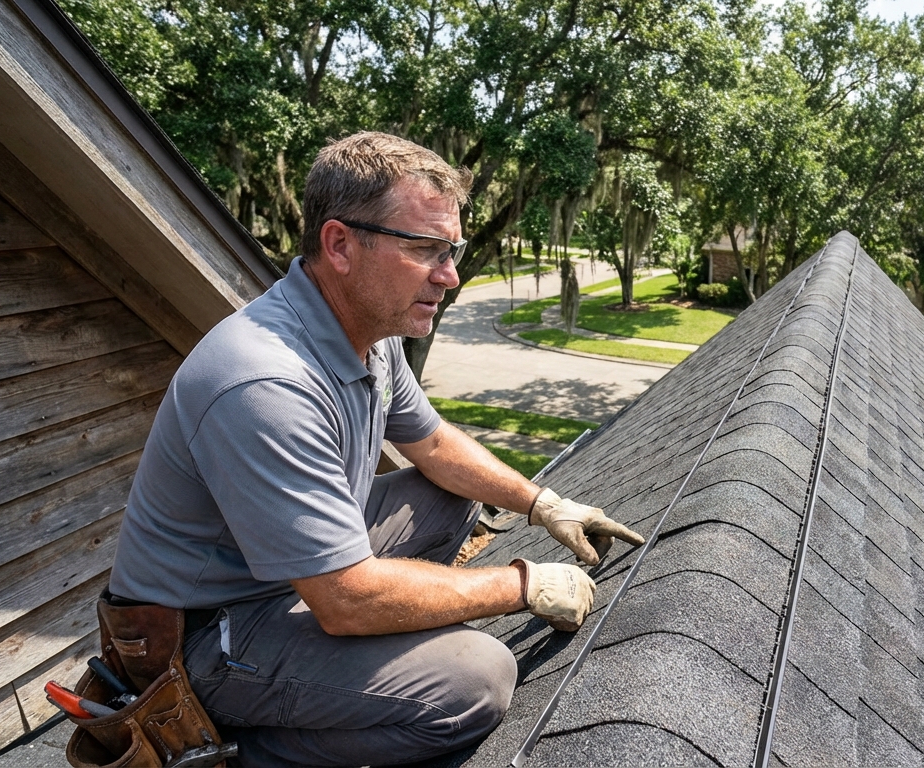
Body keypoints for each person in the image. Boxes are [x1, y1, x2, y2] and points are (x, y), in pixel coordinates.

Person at [105, 132, 644, 766]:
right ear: (340, 245)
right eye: (424, 249)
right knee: (475, 680)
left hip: (290, 576)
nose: (450, 276)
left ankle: (351, 668)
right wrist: (524, 583)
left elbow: (434, 444)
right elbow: (346, 597)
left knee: (451, 496)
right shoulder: (264, 382)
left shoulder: (370, 330)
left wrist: (543, 503)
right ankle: (230, 753)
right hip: (202, 637)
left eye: (451, 250)